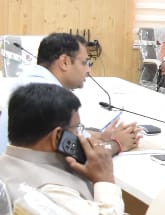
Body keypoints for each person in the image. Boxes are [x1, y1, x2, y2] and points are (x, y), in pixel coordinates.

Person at [0, 83, 136, 215]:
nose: (81, 136)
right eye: (77, 129)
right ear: (58, 136)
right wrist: (105, 180)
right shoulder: (50, 191)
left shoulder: (8, 165)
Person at [4, 33, 140, 156]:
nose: (88, 70)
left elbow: (62, 135)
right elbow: (80, 155)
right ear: (65, 62)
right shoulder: (48, 95)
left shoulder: (32, 80)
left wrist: (101, 136)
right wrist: (117, 144)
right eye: (85, 63)